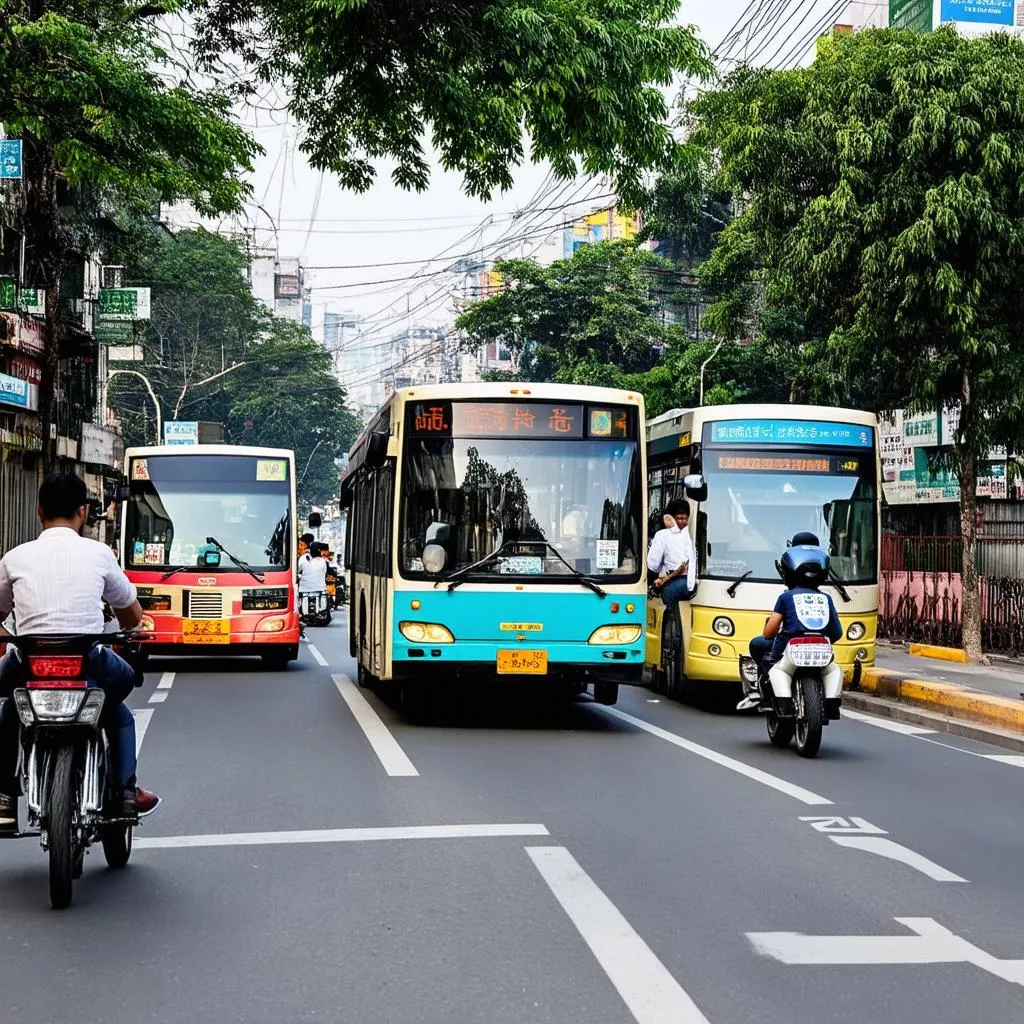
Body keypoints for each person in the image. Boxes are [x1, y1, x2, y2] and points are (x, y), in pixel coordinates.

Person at [0, 472, 160, 834]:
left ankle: (4, 800)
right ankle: (124, 793)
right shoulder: (99, 553)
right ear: (83, 513)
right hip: (87, 658)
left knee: (9, 708)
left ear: (39, 512)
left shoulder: (15, 557)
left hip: (28, 663)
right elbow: (132, 615)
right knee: (118, 711)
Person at [739, 532, 843, 710]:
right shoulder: (826, 598)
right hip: (821, 651)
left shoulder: (786, 598)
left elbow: (768, 633)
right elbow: (837, 632)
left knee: (757, 644)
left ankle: (762, 692)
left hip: (786, 651)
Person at [647, 499, 697, 629]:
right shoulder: (692, 534)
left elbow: (652, 564)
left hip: (674, 583)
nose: (682, 522)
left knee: (670, 615)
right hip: (692, 583)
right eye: (679, 518)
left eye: (684, 519)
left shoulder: (662, 535)